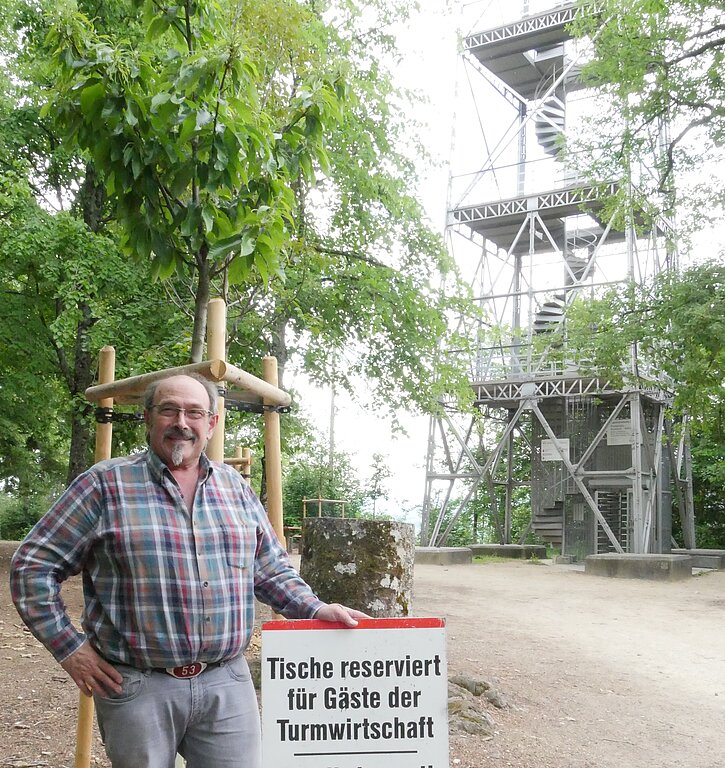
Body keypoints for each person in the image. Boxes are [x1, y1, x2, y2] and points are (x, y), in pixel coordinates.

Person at [10, 373, 366, 768]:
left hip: (227, 682)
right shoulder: (104, 485)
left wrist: (316, 609)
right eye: (169, 410)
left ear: (211, 423)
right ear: (148, 418)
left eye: (195, 412)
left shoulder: (236, 488)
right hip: (138, 685)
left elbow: (269, 570)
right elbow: (32, 567)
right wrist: (70, 648)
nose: (182, 422)